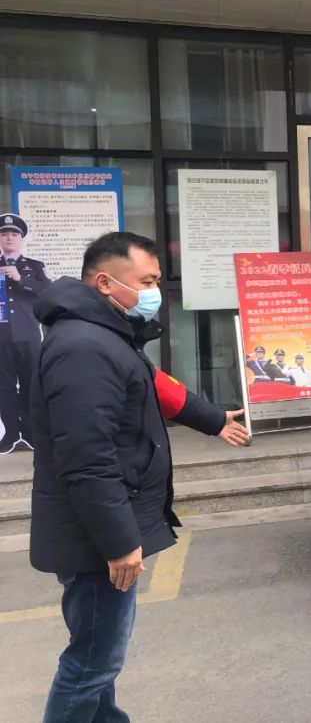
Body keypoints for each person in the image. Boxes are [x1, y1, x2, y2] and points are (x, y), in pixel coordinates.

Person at [30, 231, 249, 723]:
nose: (154, 292)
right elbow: (87, 459)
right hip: (95, 537)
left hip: (98, 525)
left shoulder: (104, 335)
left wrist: (213, 419)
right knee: (92, 662)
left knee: (97, 653)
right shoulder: (84, 347)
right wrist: (118, 543)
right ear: (105, 283)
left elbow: (152, 385)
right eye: (146, 282)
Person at [0, 213, 52, 454]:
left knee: (31, 384)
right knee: (4, 386)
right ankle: (10, 433)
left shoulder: (35, 266)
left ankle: (30, 432)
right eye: (4, 234)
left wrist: (20, 278)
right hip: (1, 337)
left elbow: (48, 292)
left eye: (14, 234)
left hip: (29, 336)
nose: (9, 238)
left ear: (21, 239)